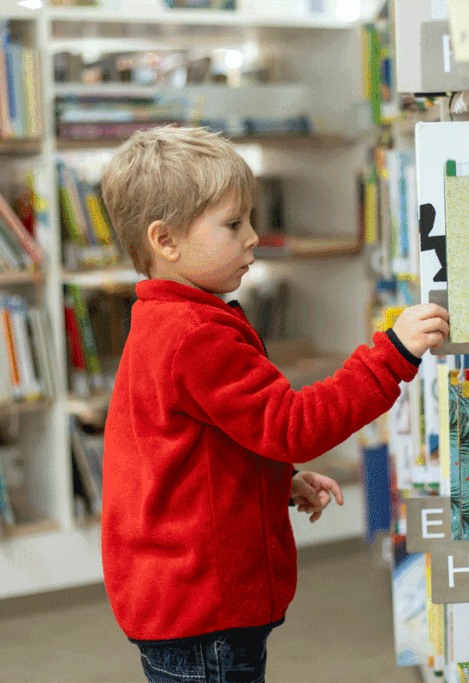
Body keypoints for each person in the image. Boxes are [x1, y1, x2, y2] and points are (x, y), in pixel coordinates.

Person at [99, 125, 450, 683]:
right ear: (166, 241)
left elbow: (189, 451)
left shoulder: (161, 319)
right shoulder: (195, 335)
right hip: (203, 613)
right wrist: (393, 354)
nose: (253, 237)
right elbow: (294, 426)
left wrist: (269, 478)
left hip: (179, 603)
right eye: (233, 224)